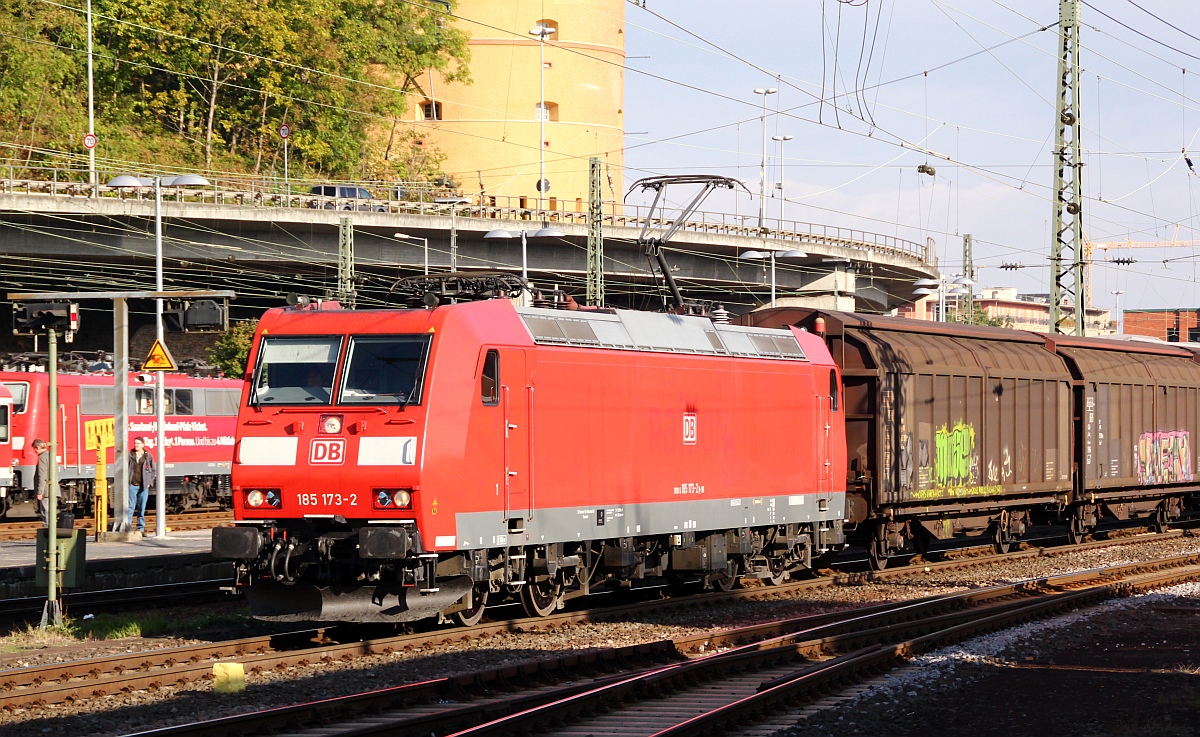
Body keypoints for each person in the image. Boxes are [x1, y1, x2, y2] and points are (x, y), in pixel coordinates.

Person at [127, 437, 156, 534]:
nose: (136, 445)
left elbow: (153, 470)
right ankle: (128, 527)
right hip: (132, 485)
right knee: (130, 507)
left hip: (143, 486)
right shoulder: (130, 455)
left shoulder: (148, 457)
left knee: (141, 508)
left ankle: (140, 528)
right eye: (135, 443)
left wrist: (149, 482)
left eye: (138, 443)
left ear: (143, 444)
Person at [32, 439, 50, 527]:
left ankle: (47, 530)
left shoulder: (42, 457)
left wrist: (40, 492)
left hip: (45, 490)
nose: (35, 452)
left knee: (45, 511)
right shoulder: (50, 455)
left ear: (38, 447)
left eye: (34, 449)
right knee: (49, 510)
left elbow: (42, 476)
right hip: (51, 488)